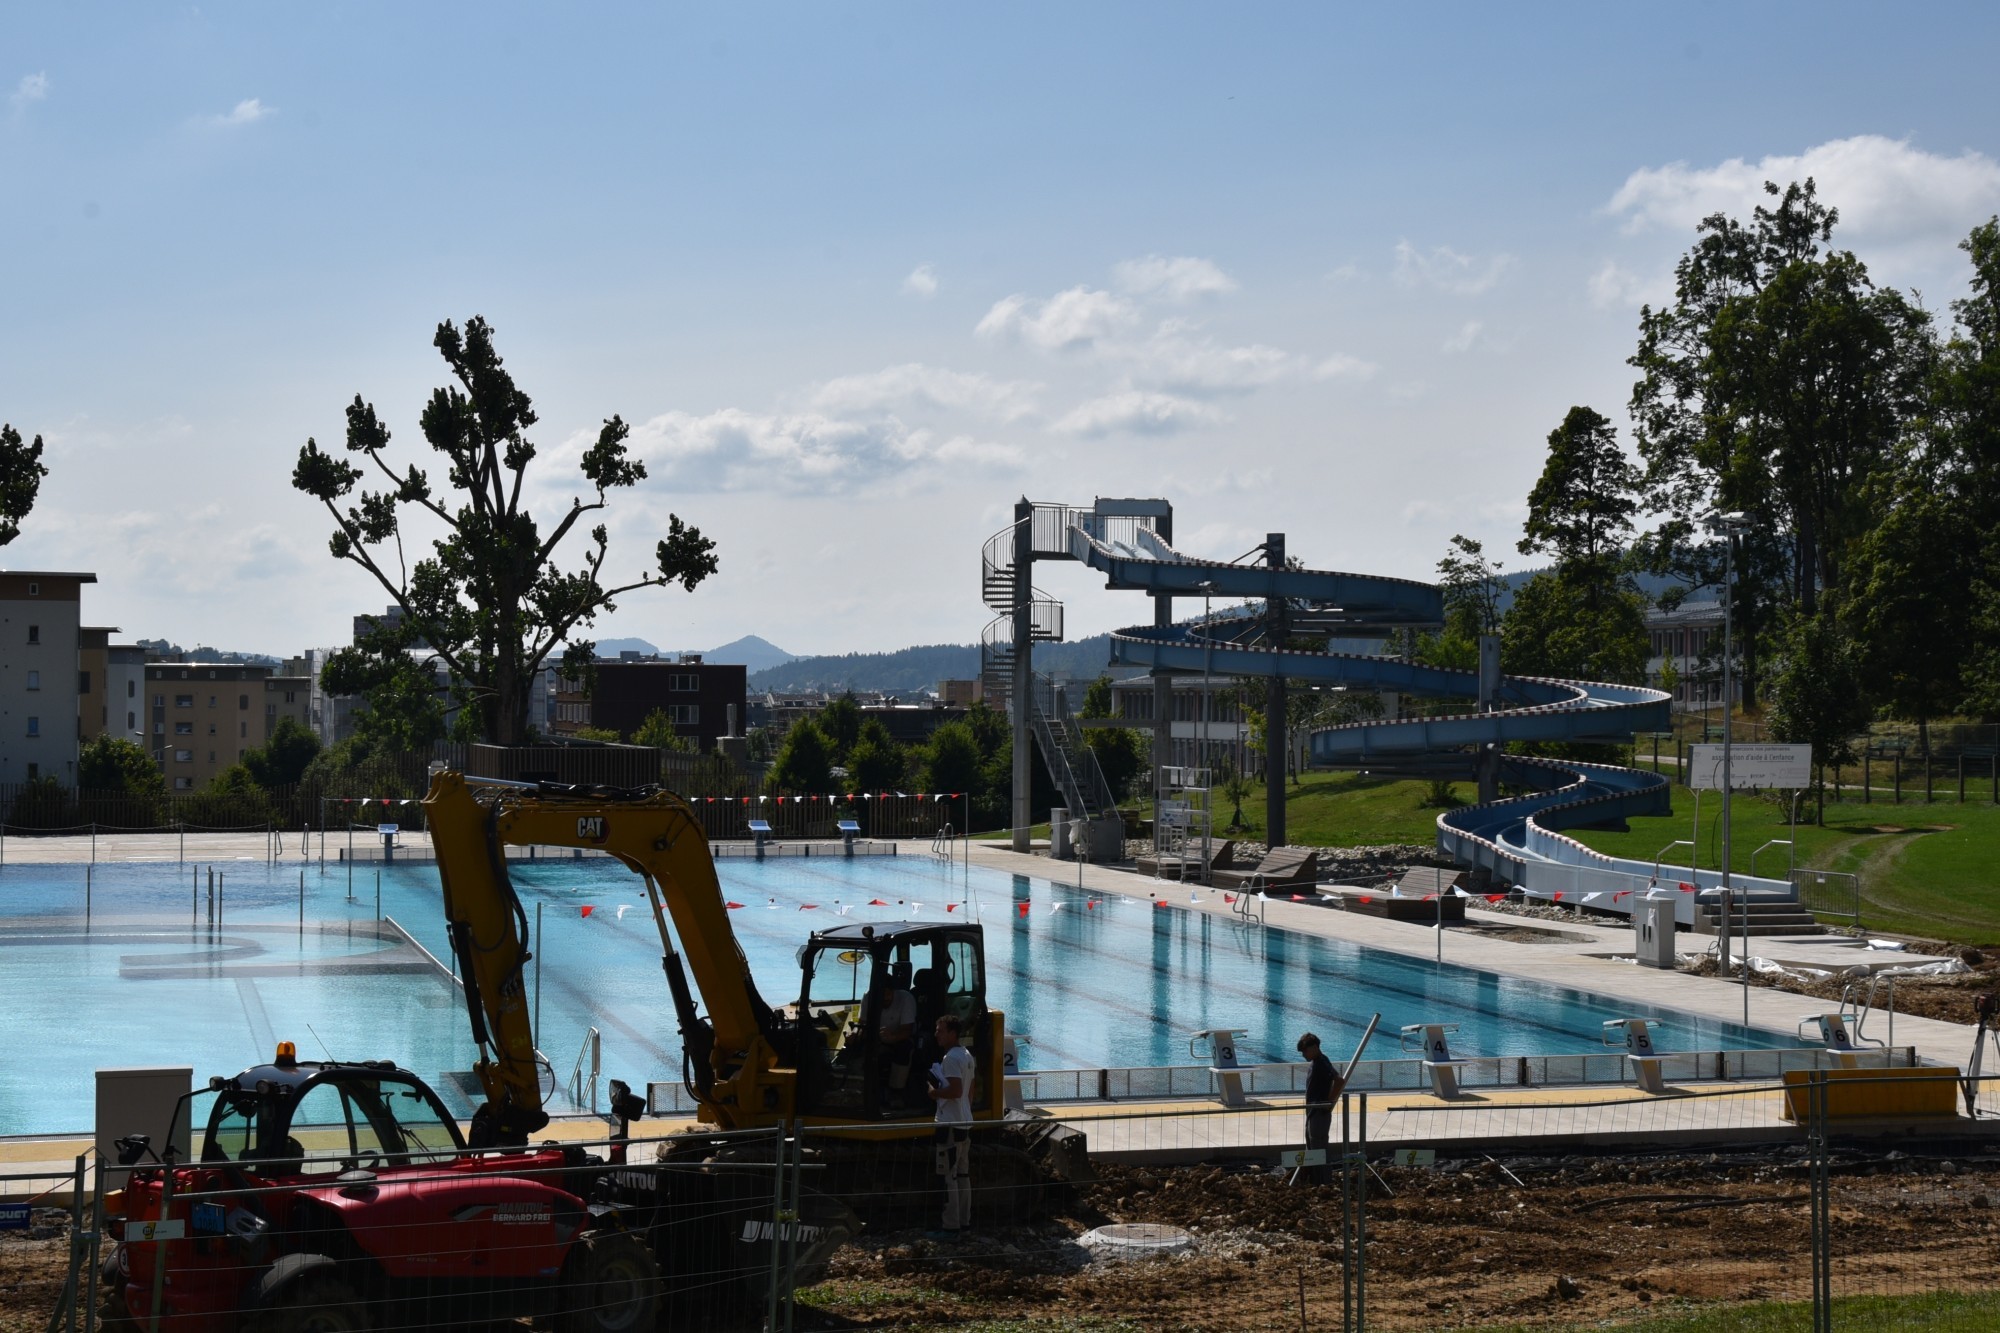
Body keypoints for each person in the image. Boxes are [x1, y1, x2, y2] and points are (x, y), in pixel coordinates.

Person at [926, 1013, 974, 1238]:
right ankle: (964, 1222)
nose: (936, 1033)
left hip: (950, 1125)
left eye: (940, 1030)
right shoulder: (967, 1055)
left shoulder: (951, 1059)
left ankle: (950, 1227)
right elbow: (968, 1092)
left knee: (948, 1176)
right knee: (963, 1175)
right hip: (964, 1122)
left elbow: (955, 1091)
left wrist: (934, 1092)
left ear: (952, 1034)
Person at [861, 967, 918, 1103]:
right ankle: (861, 1088)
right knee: (857, 1047)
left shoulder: (905, 999)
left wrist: (893, 1037)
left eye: (887, 995)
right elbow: (862, 1024)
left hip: (900, 1037)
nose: (884, 999)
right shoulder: (868, 998)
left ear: (893, 991)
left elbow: (907, 1030)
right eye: (880, 996)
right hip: (876, 1037)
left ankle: (896, 1092)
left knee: (904, 1049)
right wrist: (854, 1035)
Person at [1297, 1032, 1342, 1186]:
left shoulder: (1321, 1062)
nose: (1303, 1055)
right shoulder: (1318, 1062)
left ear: (1314, 1047)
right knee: (1312, 1149)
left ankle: (1324, 1183)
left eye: (1305, 1051)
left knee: (1319, 1151)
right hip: (1313, 1113)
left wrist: (1329, 1103)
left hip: (1319, 1113)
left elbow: (1339, 1081)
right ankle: (1315, 1182)